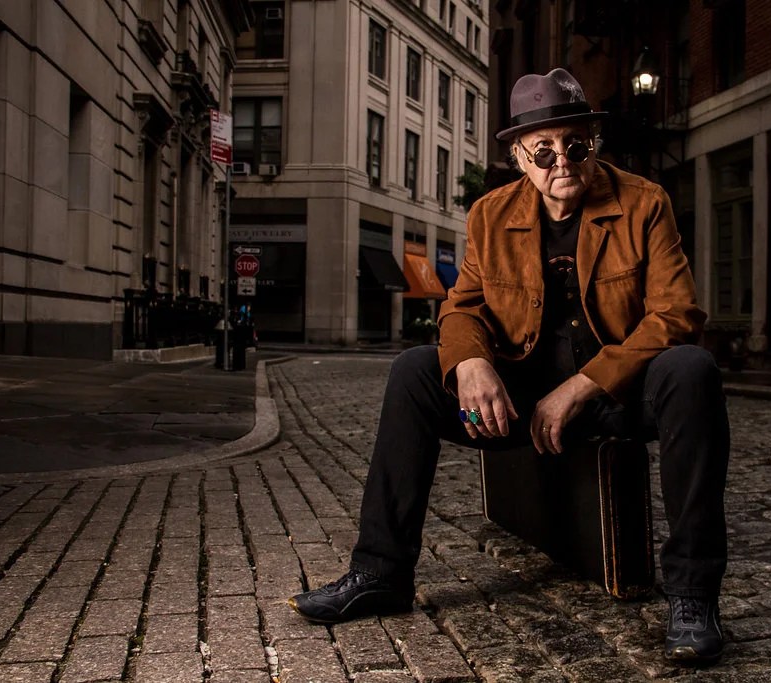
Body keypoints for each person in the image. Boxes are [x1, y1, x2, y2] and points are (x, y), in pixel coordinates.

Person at [289, 68, 730, 664]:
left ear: (592, 144)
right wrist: (470, 361)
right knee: (416, 371)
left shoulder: (644, 203)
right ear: (521, 156)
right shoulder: (490, 215)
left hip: (615, 397)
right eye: (544, 150)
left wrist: (583, 384)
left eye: (575, 144)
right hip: (518, 403)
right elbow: (462, 307)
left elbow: (677, 314)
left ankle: (693, 597)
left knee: (691, 369)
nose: (562, 162)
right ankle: (381, 573)